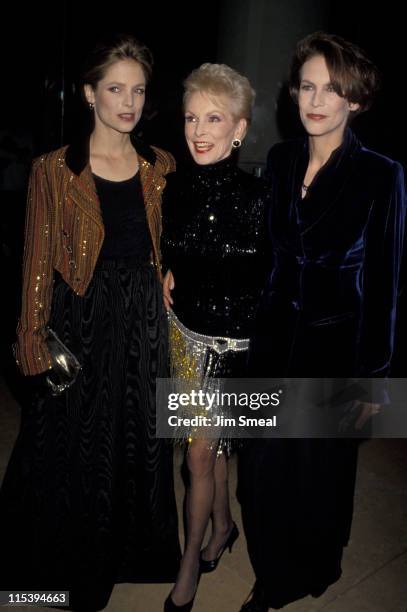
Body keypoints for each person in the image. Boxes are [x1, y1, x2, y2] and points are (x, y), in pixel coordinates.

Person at [0, 33, 180, 611]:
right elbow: (34, 263)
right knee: (68, 449)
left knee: (132, 446)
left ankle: (120, 555)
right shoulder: (54, 170)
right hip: (82, 318)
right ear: (88, 94)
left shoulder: (161, 166)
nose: (128, 102)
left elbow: (177, 243)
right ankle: (52, 580)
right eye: (114, 88)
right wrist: (31, 341)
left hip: (145, 321)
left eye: (138, 90)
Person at [238, 31, 406, 611]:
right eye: (307, 86)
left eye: (331, 89)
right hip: (271, 343)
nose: (315, 99)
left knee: (317, 477)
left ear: (355, 100)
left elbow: (385, 282)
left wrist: (373, 377)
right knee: (257, 473)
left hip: (334, 350)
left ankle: (293, 576)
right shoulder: (281, 160)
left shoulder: (381, 175)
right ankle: (271, 564)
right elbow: (263, 253)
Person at [161, 63, 268, 611]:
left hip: (233, 349)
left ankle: (189, 563)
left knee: (199, 458)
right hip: (184, 337)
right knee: (204, 452)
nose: (199, 131)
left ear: (240, 129)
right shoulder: (173, 187)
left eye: (214, 118)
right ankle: (223, 527)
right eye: (190, 118)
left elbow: (276, 281)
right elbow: (172, 248)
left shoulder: (260, 198)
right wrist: (168, 271)